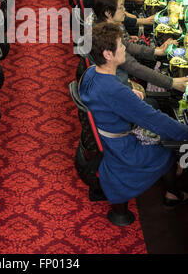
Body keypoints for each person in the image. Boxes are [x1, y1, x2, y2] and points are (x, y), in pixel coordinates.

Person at [79, 22, 188, 206]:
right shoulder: (115, 91)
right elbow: (155, 120)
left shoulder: (91, 72)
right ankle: (173, 194)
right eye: (121, 45)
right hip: (122, 150)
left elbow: (106, 97)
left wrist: (127, 93)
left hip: (107, 137)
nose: (124, 48)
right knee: (168, 149)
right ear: (107, 54)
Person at [93, 0, 188, 93]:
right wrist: (171, 82)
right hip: (118, 86)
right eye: (121, 7)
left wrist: (157, 51)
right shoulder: (106, 37)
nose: (124, 10)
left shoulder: (104, 27)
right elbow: (134, 67)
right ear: (108, 13)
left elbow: (128, 46)